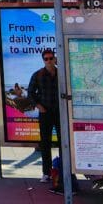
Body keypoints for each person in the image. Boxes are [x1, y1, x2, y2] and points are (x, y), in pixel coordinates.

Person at [27, 48, 60, 182]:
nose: (49, 61)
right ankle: (46, 173)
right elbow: (30, 93)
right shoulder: (38, 75)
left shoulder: (61, 73)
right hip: (45, 112)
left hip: (59, 112)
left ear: (55, 59)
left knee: (63, 142)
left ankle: (63, 171)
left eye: (51, 58)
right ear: (43, 60)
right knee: (45, 143)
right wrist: (39, 106)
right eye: (46, 59)